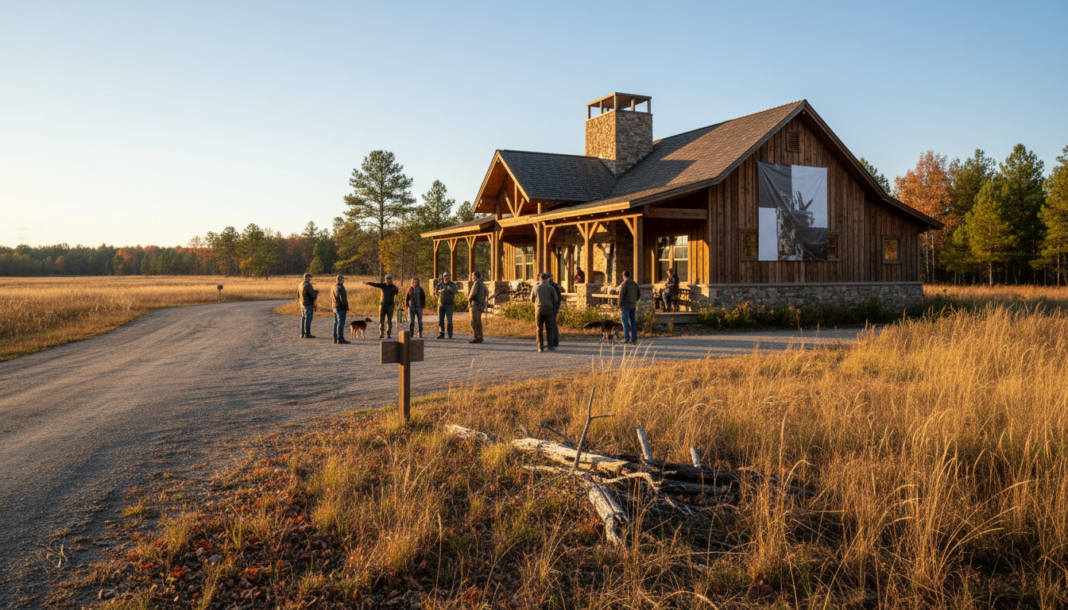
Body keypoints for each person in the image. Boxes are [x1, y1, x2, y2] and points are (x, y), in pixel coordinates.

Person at [531, 273, 559, 352]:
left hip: (538, 309)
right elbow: (555, 299)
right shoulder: (551, 288)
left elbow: (531, 299)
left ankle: (540, 346)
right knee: (549, 328)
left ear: (540, 279)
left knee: (539, 328)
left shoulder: (535, 288)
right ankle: (550, 345)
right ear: (547, 279)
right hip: (548, 309)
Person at [365, 274, 399, 339]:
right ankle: (381, 334)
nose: (387, 280)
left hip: (390, 305)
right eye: (386, 279)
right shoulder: (383, 285)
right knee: (381, 320)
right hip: (382, 305)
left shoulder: (394, 287)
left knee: (389, 320)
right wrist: (369, 283)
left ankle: (388, 334)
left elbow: (397, 296)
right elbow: (376, 284)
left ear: (391, 280)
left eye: (389, 279)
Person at [618, 269, 640, 344]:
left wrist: (620, 304)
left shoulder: (624, 284)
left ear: (624, 276)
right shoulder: (634, 284)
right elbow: (638, 294)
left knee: (625, 322)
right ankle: (634, 338)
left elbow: (622, 295)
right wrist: (634, 300)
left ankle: (626, 338)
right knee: (633, 321)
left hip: (625, 305)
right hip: (633, 305)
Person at [434, 272, 458, 339]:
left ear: (450, 277)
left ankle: (450, 334)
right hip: (440, 304)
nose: (446, 277)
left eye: (448, 276)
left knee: (449, 320)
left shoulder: (452, 284)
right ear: (443, 277)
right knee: (440, 320)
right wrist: (439, 295)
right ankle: (441, 333)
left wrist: (450, 289)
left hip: (449, 304)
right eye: (445, 276)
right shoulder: (439, 284)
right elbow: (436, 293)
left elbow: (456, 291)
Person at [467, 270, 488, 344]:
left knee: (474, 322)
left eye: (472, 276)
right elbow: (487, 293)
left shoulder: (476, 283)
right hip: (481, 305)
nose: (471, 277)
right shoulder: (483, 284)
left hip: (475, 305)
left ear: (476, 276)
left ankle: (476, 337)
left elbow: (473, 294)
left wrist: (469, 300)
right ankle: (480, 336)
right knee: (478, 322)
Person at [297, 273, 318, 339]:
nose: (310, 278)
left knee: (303, 318)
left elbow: (298, 294)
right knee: (308, 318)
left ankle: (302, 333)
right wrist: (316, 293)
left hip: (302, 303)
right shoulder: (308, 285)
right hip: (308, 303)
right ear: (306, 278)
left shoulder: (300, 284)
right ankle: (307, 333)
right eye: (309, 277)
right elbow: (312, 295)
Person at [330, 274, 350, 344]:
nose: (344, 280)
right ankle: (340, 338)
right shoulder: (340, 287)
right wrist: (346, 306)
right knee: (340, 323)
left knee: (336, 322)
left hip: (334, 306)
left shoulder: (333, 287)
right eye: (343, 279)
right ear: (340, 280)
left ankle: (335, 338)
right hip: (340, 307)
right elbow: (342, 298)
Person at [547, 273, 562, 348]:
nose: (549, 279)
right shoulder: (548, 286)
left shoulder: (554, 286)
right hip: (550, 306)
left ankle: (555, 341)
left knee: (553, 324)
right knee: (550, 324)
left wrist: (555, 307)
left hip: (554, 306)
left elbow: (556, 298)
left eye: (549, 277)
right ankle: (551, 340)